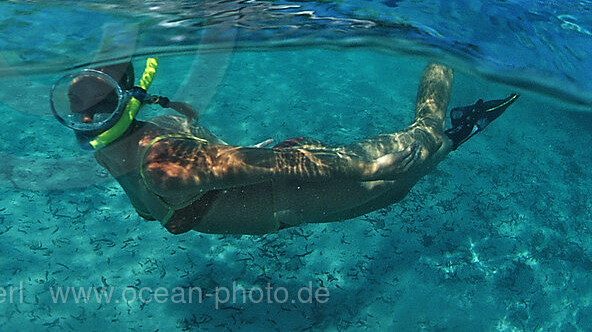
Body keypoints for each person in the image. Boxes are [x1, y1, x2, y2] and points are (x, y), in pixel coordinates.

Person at [51, 59, 517, 235]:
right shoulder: (135, 136)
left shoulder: (162, 164)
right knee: (395, 187)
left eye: (100, 103)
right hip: (279, 193)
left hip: (288, 193)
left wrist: (360, 167)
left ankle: (448, 84)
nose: (86, 119)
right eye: (75, 104)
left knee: (413, 155)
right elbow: (189, 124)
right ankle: (455, 125)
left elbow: (279, 165)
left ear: (127, 102)